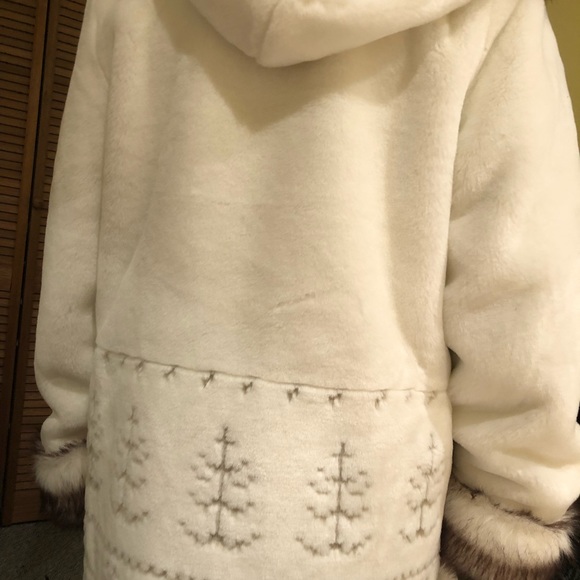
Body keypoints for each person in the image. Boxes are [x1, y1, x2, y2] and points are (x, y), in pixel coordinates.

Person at [33, 0, 580, 578]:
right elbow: (521, 292)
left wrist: (73, 427)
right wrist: (514, 500)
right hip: (370, 516)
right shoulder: (498, 10)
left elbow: (78, 227)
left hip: (152, 490)